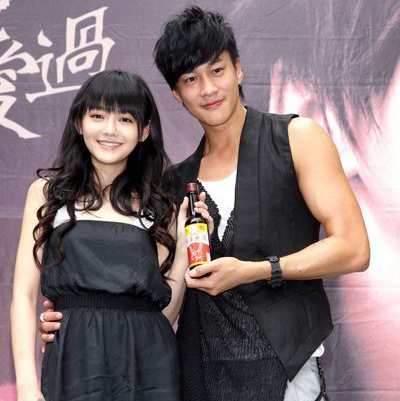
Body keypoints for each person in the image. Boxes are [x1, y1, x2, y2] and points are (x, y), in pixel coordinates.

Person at [39, 6, 370, 401]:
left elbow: (353, 249)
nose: (208, 89)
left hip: (287, 363)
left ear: (239, 70)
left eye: (217, 70)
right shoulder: (171, 184)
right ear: (176, 94)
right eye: (191, 79)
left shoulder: (295, 138)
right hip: (200, 371)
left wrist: (254, 270)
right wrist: (73, 320)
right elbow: (152, 293)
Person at [10, 70, 212, 401]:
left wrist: (184, 245)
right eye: (98, 116)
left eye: (125, 119)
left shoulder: (159, 206)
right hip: (74, 362)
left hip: (150, 367)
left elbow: (165, 311)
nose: (110, 130)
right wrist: (27, 388)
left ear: (143, 131)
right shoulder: (46, 194)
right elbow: (23, 295)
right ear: (79, 122)